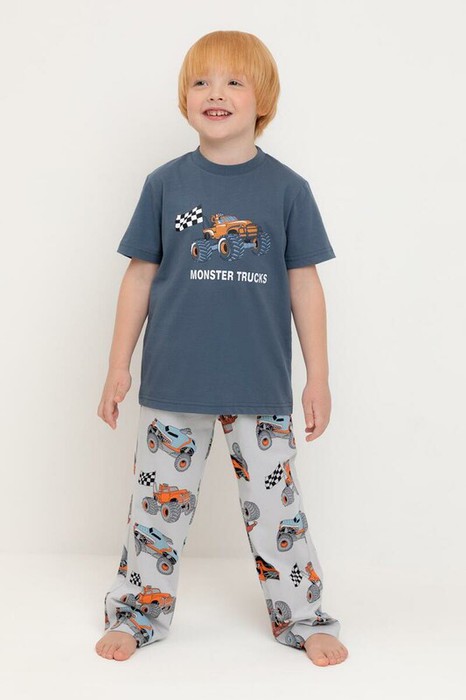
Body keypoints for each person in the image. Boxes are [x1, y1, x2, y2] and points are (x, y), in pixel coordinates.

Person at [95, 30, 349, 667]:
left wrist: (318, 377)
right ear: (185, 100)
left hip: (260, 386)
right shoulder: (166, 185)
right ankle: (136, 614)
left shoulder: (287, 190)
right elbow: (139, 277)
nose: (216, 92)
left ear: (264, 100)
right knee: (154, 514)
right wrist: (117, 365)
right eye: (201, 81)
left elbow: (306, 286)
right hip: (174, 381)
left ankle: (304, 618)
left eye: (235, 81)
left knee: (278, 512)